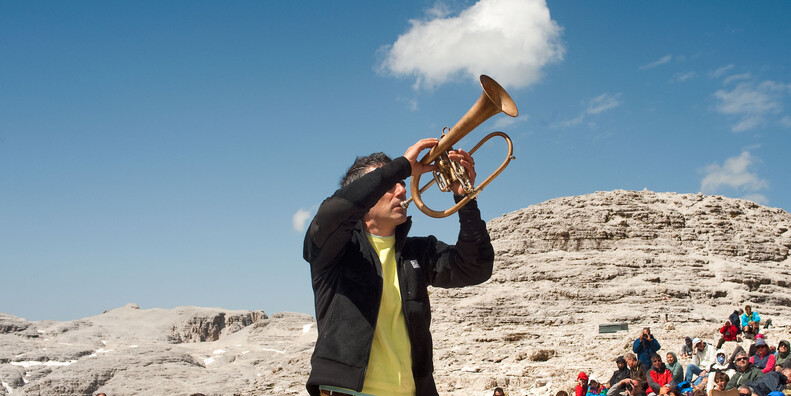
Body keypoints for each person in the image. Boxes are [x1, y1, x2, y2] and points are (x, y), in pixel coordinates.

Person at [302, 141, 494, 396]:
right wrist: (401, 167)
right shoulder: (335, 250)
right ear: (365, 193)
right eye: (391, 184)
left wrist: (464, 197)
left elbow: (476, 267)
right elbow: (334, 211)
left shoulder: (417, 251)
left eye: (403, 183)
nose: (403, 190)